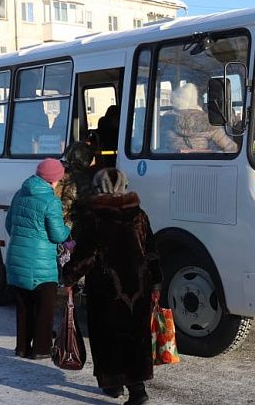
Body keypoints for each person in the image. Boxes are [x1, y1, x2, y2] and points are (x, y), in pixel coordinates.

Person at [62, 168, 162, 405]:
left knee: (108, 338)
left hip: (107, 289)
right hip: (138, 287)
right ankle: (133, 389)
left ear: (98, 188)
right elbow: (151, 251)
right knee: (135, 336)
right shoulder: (139, 214)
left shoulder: (94, 217)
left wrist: (69, 276)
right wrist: (156, 281)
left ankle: (119, 386)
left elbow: (86, 256)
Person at [5, 158, 71, 359]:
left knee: (23, 307)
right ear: (53, 179)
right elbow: (57, 235)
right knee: (44, 309)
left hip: (17, 260)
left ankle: (22, 348)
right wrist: (68, 228)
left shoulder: (19, 194)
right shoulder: (51, 201)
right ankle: (41, 349)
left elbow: (9, 225)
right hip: (41, 265)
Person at [165, 83, 237, 153]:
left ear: (176, 103)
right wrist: (214, 152)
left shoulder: (165, 121)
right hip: (203, 160)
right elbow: (231, 148)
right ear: (196, 101)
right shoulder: (208, 122)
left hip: (170, 160)